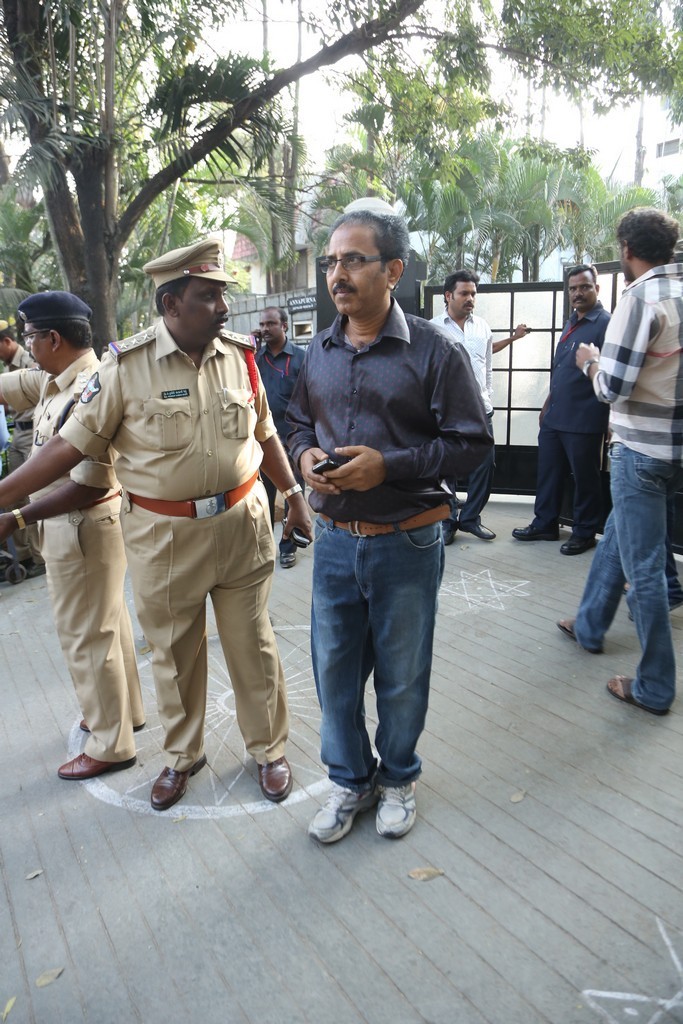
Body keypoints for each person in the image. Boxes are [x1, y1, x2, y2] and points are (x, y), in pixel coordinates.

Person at [0, 239, 313, 810]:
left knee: (256, 647)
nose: (224, 307)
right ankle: (182, 756)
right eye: (209, 296)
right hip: (164, 539)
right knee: (174, 656)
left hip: (242, 526)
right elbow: (70, 446)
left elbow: (264, 432)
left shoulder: (240, 356)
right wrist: (5, 497)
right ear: (171, 304)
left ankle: (269, 750)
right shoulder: (125, 368)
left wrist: (293, 495)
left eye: (222, 294)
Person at [287, 201, 492, 843]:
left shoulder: (435, 350)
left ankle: (398, 777)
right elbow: (297, 422)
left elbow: (472, 442)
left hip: (408, 540)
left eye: (354, 260)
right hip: (333, 544)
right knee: (334, 673)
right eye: (331, 262)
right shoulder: (318, 350)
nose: (337, 274)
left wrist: (388, 467)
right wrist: (305, 455)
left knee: (402, 675)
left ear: (394, 270)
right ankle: (351, 780)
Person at [0, 292, 145, 778]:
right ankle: (125, 713)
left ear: (53, 339)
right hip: (81, 529)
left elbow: (91, 484)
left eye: (30, 337)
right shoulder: (54, 378)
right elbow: (9, 386)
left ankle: (110, 742)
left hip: (81, 527)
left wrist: (18, 517)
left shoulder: (89, 389)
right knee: (108, 627)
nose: (27, 345)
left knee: (86, 638)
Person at [559, 207, 683, 715]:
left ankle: (654, 686)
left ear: (627, 251)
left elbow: (613, 387)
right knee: (619, 535)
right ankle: (590, 624)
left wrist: (590, 361)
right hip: (675, 454)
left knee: (645, 570)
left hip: (640, 452)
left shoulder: (640, 299)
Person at [513, 265, 610, 555]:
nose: (578, 293)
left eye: (584, 287)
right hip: (555, 416)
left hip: (585, 418)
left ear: (596, 289)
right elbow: (562, 370)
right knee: (549, 473)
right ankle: (545, 524)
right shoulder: (571, 323)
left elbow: (611, 376)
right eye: (573, 288)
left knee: (585, 478)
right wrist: (546, 405)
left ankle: (584, 532)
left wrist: (611, 420)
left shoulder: (606, 324)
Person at [431, 270, 528, 543]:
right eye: (464, 293)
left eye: (473, 293)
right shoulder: (432, 328)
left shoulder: (483, 327)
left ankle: (470, 518)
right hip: (446, 410)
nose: (470, 298)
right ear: (448, 295)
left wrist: (487, 396)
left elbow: (487, 367)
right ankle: (447, 521)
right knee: (445, 467)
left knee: (486, 464)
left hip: (479, 409)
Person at [255, 306, 306, 568]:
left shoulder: (301, 358)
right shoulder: (254, 358)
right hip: (263, 444)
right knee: (262, 499)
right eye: (262, 324)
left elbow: (310, 399)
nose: (265, 329)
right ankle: (263, 547)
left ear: (284, 326)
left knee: (292, 497)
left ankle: (289, 547)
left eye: (270, 324)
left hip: (293, 442)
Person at [0, 320, 45, 577]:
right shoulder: (8, 365)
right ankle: (24, 555)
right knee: (12, 497)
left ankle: (40, 557)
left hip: (33, 430)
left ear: (7, 341)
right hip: (18, 433)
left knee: (30, 495)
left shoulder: (30, 359)